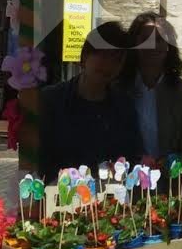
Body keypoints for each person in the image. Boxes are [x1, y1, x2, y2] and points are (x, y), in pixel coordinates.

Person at [39, 21, 142, 182]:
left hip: (107, 194)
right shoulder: (51, 100)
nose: (108, 65)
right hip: (59, 192)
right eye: (103, 55)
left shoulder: (124, 107)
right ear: (85, 55)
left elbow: (131, 156)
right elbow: (40, 158)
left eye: (116, 60)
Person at [119, 12, 182, 159]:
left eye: (159, 40)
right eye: (145, 39)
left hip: (170, 172)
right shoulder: (118, 89)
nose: (152, 46)